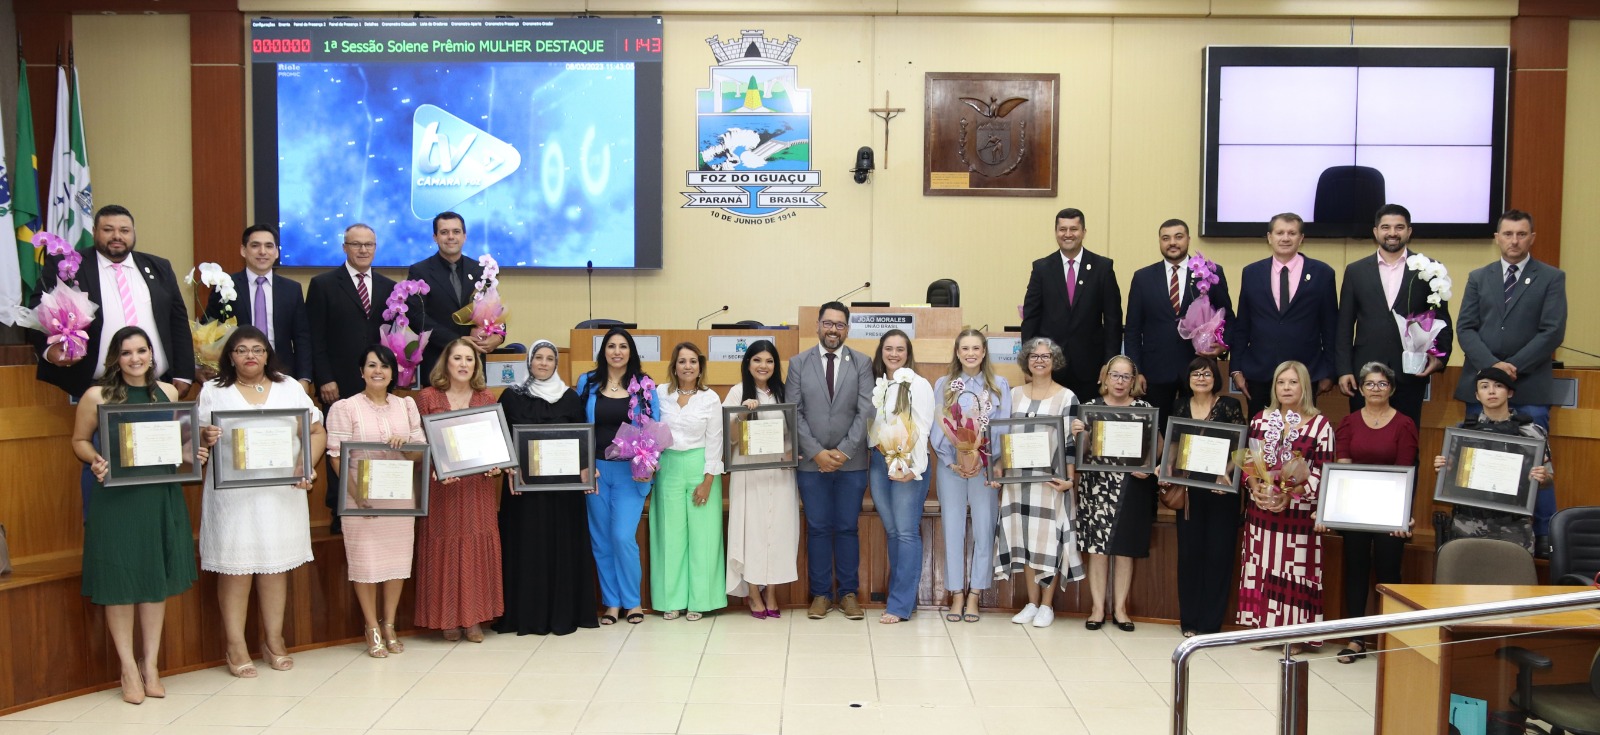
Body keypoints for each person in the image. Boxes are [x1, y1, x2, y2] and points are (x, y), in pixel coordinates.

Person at [71, 326, 209, 703]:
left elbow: (181, 443)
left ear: (153, 354)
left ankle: (151, 664)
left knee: (153, 581)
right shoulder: (96, 395)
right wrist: (95, 459)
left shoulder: (167, 392)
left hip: (159, 495)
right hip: (116, 501)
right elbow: (79, 441)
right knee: (120, 583)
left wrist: (193, 454)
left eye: (142, 351)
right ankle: (127, 667)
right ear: (116, 357)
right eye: (127, 352)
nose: (135, 358)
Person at [195, 326, 325, 677]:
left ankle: (274, 639)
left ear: (268, 354)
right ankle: (235, 645)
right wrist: (205, 437)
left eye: (257, 349)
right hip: (234, 498)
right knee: (236, 570)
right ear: (230, 356)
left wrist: (307, 468)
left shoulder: (289, 387)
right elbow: (196, 440)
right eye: (241, 350)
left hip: (280, 494)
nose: (250, 356)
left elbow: (315, 430)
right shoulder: (213, 391)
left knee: (274, 567)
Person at [1452, 209, 1566, 545]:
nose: (1513, 240)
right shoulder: (1478, 276)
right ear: (1496, 238)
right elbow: (1466, 327)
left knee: (1535, 467)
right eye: (1507, 234)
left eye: (1521, 234)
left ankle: (1544, 534)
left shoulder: (1551, 277)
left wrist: (1511, 367)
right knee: (1476, 464)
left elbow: (1552, 331)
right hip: (1481, 388)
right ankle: (1473, 533)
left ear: (1532, 237)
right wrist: (1493, 371)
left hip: (1529, 387)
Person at [324, 344, 425, 658]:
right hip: (360, 499)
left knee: (396, 565)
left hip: (398, 499)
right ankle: (371, 626)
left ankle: (390, 623)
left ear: (393, 372)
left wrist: (405, 444)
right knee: (365, 564)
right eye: (371, 366)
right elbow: (336, 456)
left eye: (383, 366)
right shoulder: (345, 407)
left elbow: (419, 454)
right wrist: (356, 495)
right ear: (361, 372)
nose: (377, 371)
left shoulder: (406, 405)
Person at [494, 340, 599, 636]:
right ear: (529, 362)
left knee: (561, 547)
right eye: (537, 358)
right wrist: (511, 466)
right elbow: (501, 438)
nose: (543, 363)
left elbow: (582, 439)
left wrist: (585, 467)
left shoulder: (569, 397)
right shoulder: (512, 396)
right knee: (528, 548)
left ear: (556, 363)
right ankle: (527, 616)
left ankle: (564, 613)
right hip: (524, 493)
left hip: (563, 494)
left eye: (549, 358)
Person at [36, 205, 195, 400]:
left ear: (134, 233)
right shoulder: (69, 265)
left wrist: (184, 373)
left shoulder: (159, 267)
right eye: (108, 229)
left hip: (155, 384)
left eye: (124, 230)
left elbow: (177, 321)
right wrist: (49, 350)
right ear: (94, 231)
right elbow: (39, 310)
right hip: (94, 387)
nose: (117, 236)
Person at [1237, 360, 1335, 650]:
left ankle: (1294, 634)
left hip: (1299, 516)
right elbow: (1249, 464)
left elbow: (1322, 472)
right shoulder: (1259, 419)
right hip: (1261, 513)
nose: (1286, 388)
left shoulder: (1321, 425)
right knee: (1262, 566)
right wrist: (1256, 490)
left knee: (1293, 572)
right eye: (1281, 382)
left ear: (1304, 386)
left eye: (1293, 382)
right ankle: (1259, 629)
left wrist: (1289, 494)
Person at [413, 338, 504, 642]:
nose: (464, 364)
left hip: (477, 488)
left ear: (476, 365)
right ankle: (447, 619)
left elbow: (495, 445)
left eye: (470, 359)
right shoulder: (427, 398)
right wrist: (437, 467)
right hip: (442, 488)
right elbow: (419, 445)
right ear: (446, 363)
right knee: (445, 549)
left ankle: (474, 619)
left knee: (476, 548)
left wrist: (496, 466)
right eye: (458, 359)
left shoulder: (486, 398)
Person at [788, 301, 874, 621]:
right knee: (819, 528)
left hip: (851, 465)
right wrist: (817, 453)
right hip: (811, 464)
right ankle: (822, 595)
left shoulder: (862, 363)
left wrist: (844, 452)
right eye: (828, 323)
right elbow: (793, 411)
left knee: (847, 528)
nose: (833, 329)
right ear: (818, 325)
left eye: (839, 324)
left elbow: (866, 410)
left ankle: (849, 594)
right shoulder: (798, 363)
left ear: (847, 329)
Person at [1328, 361, 1417, 663]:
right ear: (1361, 389)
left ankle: (1393, 638)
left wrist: (1404, 515)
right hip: (1355, 510)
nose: (1375, 389)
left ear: (1391, 388)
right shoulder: (1349, 422)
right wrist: (1337, 510)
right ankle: (1356, 639)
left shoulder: (1404, 424)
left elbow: (1406, 470)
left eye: (1381, 384)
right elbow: (1343, 467)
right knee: (1356, 571)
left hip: (1390, 512)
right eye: (1369, 384)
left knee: (1389, 572)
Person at [1335, 204, 1453, 426]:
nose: (1392, 233)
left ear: (1409, 231)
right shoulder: (1356, 270)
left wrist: (1439, 359)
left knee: (1407, 438)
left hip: (1410, 371)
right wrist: (1343, 370)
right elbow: (1344, 325)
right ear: (1376, 231)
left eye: (1399, 227)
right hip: (1365, 373)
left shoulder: (1429, 269)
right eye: (1386, 227)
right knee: (1363, 437)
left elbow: (1442, 319)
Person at [997, 337, 1083, 629]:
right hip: (1018, 481)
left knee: (1047, 541)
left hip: (1051, 482)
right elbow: (1002, 436)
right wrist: (998, 470)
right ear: (1026, 361)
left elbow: (1071, 443)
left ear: (1054, 361)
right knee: (1024, 540)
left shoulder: (1067, 397)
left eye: (1046, 356)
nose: (1040, 360)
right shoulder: (1014, 394)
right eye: (1034, 356)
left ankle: (1047, 605)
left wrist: (1069, 480)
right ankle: (1031, 603)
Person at [576, 327, 660, 625]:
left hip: (630, 473)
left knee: (623, 537)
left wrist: (648, 465)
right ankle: (611, 603)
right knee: (601, 540)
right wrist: (584, 463)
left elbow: (654, 429)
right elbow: (578, 427)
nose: (616, 351)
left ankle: (632, 601)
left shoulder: (644, 385)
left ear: (631, 351)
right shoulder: (587, 382)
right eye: (611, 346)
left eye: (623, 346)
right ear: (603, 351)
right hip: (596, 471)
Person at [1071, 355, 1156, 632]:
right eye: (1115, 375)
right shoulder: (1090, 409)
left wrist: (1150, 467)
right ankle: (1097, 608)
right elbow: (1082, 456)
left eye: (1126, 376)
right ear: (1105, 378)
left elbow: (1157, 450)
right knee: (1097, 550)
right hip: (1096, 486)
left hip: (1132, 486)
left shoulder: (1144, 408)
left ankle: (1120, 609)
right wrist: (1078, 436)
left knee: (1124, 551)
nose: (1120, 382)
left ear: (1134, 381)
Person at [932, 327, 1011, 623]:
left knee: (983, 529)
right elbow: (937, 428)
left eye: (976, 348)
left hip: (984, 470)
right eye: (964, 348)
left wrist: (985, 460)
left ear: (984, 352)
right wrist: (952, 461)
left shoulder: (999, 385)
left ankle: (975, 593)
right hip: (951, 469)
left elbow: (1003, 429)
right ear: (957, 352)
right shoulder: (944, 384)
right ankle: (956, 594)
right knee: (952, 530)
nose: (970, 353)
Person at [1164, 356, 1247, 637]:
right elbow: (1174, 443)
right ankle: (1189, 620)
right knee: (1189, 556)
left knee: (1218, 556)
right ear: (1187, 378)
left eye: (1207, 374)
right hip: (1188, 491)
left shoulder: (1229, 406)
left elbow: (1242, 445)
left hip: (1221, 490)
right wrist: (1166, 470)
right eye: (1195, 373)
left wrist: (1226, 473)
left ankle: (1210, 624)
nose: (1201, 378)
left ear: (1216, 378)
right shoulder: (1178, 405)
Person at [1123, 218, 1232, 429]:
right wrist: (1137, 370)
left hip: (1197, 367)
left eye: (1178, 237)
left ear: (1188, 239)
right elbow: (1133, 329)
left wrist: (1222, 346)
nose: (1172, 242)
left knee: (1196, 430)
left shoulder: (1210, 272)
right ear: (1160, 242)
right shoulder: (1143, 277)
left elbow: (1228, 317)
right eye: (1166, 238)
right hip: (1155, 370)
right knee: (1157, 430)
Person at [1229, 213, 1338, 417]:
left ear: (1301, 238)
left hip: (1306, 374)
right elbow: (1243, 324)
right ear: (1269, 237)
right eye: (1280, 233)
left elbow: (1330, 327)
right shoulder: (1251, 273)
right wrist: (1236, 369)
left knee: (1301, 439)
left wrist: (1330, 372)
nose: (1285, 238)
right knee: (1259, 439)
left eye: (1292, 233)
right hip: (1259, 373)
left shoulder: (1323, 273)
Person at [1434, 366, 1553, 553]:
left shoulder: (1531, 432)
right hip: (1468, 525)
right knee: (1466, 580)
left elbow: (1548, 479)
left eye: (1498, 386)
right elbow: (1450, 483)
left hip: (1514, 526)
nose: (1491, 391)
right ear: (1477, 395)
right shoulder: (1462, 431)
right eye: (1484, 386)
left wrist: (1543, 476)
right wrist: (1445, 469)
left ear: (1510, 392)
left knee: (1513, 580)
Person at [723, 340, 799, 618]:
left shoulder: (784, 393)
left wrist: (790, 454)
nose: (763, 366)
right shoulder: (736, 392)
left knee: (779, 532)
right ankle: (753, 593)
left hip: (779, 473)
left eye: (768, 361)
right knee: (751, 532)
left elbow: (793, 434)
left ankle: (772, 593)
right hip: (748, 472)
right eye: (757, 360)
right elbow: (729, 438)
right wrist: (742, 411)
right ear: (748, 364)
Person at [651, 342, 726, 621]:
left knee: (702, 536)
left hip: (700, 467)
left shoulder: (710, 398)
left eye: (693, 361)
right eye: (682, 361)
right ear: (674, 366)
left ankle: (701, 600)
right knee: (670, 535)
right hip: (668, 466)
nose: (687, 366)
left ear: (700, 366)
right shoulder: (660, 394)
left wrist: (708, 480)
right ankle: (671, 600)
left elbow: (715, 441)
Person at [866, 329, 934, 625]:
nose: (894, 354)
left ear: (908, 354)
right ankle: (903, 598)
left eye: (900, 349)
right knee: (893, 532)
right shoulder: (881, 385)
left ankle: (900, 604)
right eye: (889, 349)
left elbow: (923, 427)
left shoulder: (918, 385)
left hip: (907, 465)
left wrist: (914, 469)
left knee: (906, 532)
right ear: (881, 352)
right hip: (880, 462)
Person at [1021, 207, 1123, 403]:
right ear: (1056, 232)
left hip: (1090, 367)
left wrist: (1110, 363)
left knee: (1085, 425)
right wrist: (1029, 362)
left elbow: (1113, 320)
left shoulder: (1103, 268)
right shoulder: (1042, 268)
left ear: (1083, 232)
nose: (1068, 234)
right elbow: (1031, 318)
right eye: (1062, 229)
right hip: (1050, 365)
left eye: (1074, 229)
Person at [204, 224, 314, 385]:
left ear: (276, 252)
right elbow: (209, 330)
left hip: (282, 374)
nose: (262, 252)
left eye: (269, 246)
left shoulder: (292, 289)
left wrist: (304, 378)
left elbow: (302, 337)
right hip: (236, 375)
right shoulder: (225, 286)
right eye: (255, 246)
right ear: (243, 250)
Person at [307, 224, 400, 405]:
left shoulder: (389, 287)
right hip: (337, 384)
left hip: (378, 383)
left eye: (369, 244)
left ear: (375, 247)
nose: (363, 250)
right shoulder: (323, 285)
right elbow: (314, 338)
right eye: (356, 244)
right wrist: (325, 378)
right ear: (344, 247)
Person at [406, 212, 504, 378]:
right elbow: (417, 318)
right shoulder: (419, 271)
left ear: (464, 236)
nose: (450, 237)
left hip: (475, 363)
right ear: (435, 237)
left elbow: (495, 309)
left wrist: (499, 336)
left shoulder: (481, 270)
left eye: (456, 232)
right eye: (444, 232)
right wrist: (457, 341)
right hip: (438, 362)